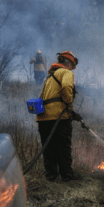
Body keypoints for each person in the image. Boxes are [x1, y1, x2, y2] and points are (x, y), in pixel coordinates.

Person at [37, 51, 84, 182]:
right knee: (63, 146)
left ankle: (51, 176)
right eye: (72, 66)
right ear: (68, 64)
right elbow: (66, 86)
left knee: (49, 148)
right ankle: (67, 176)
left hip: (43, 117)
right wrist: (69, 105)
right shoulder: (66, 73)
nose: (72, 69)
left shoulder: (49, 77)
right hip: (59, 118)